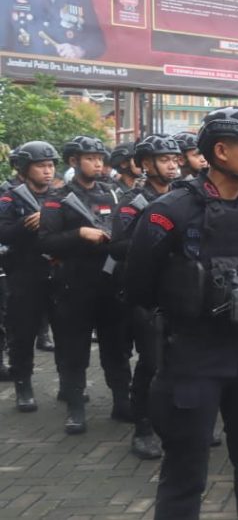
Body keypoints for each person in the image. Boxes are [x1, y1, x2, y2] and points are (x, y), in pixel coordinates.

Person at [125, 107, 238, 519]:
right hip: (193, 356)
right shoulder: (170, 211)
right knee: (184, 474)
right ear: (223, 150)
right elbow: (138, 286)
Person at [39, 136, 131, 434]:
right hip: (74, 284)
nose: (98, 163)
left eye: (100, 158)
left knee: (116, 347)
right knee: (73, 348)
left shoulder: (114, 194)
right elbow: (46, 241)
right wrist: (79, 233)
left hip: (109, 281)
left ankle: (121, 401)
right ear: (74, 161)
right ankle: (76, 407)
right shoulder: (58, 198)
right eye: (90, 158)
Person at [108, 135, 182, 460]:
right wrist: (154, 241)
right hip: (146, 295)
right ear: (146, 164)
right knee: (150, 363)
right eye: (164, 159)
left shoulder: (182, 198)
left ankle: (173, 422)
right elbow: (117, 246)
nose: (173, 164)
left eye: (175, 159)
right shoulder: (132, 202)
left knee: (178, 360)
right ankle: (143, 429)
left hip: (177, 293)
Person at [0, 141, 60, 412]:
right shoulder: (8, 196)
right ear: (24, 168)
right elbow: (3, 233)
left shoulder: (60, 195)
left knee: (66, 331)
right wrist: (27, 224)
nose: (47, 171)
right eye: (41, 166)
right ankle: (23, 383)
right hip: (24, 273)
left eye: (50, 165)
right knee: (22, 334)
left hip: (58, 273)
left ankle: (70, 384)